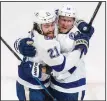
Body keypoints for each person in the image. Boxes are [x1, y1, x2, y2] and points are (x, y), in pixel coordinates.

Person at [14, 9, 90, 101]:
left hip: (57, 86)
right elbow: (62, 66)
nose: (51, 29)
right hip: (32, 86)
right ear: (37, 26)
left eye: (51, 25)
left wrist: (80, 23)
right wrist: (80, 48)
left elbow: (62, 13)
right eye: (46, 26)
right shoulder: (47, 43)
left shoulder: (42, 31)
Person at [48, 5, 94, 101]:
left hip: (72, 87)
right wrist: (80, 22)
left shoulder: (78, 36)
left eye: (69, 21)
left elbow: (71, 63)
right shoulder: (53, 28)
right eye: (63, 20)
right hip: (53, 84)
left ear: (73, 21)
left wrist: (49, 71)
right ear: (58, 19)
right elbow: (54, 12)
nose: (65, 24)